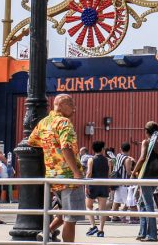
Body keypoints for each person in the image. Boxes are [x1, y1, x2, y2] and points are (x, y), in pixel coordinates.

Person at [28, 94, 85, 243]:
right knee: (70, 218)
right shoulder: (64, 123)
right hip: (69, 178)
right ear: (60, 105)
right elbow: (66, 147)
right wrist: (77, 173)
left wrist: (50, 147)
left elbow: (32, 141)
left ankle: (47, 231)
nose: (74, 109)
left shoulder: (43, 122)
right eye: (71, 104)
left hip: (53, 177)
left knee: (62, 212)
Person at [131, 121, 158, 242]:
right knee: (142, 202)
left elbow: (142, 158)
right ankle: (143, 232)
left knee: (148, 204)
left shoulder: (146, 142)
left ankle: (152, 234)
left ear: (146, 131)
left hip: (146, 176)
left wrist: (133, 172)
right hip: (156, 177)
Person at [85, 141, 111, 238]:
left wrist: (86, 186)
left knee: (88, 206)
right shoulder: (108, 161)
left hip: (93, 185)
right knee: (102, 209)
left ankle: (93, 225)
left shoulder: (91, 160)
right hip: (104, 185)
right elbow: (109, 175)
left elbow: (89, 173)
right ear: (102, 149)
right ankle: (101, 230)